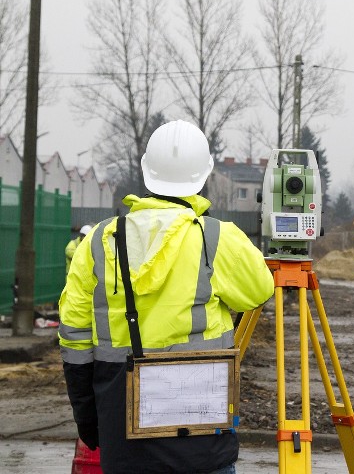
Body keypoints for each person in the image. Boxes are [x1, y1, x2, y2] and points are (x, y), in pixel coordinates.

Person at [58, 120, 274, 474]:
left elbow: (74, 340)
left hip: (123, 440)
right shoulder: (217, 238)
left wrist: (89, 420)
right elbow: (259, 290)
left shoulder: (98, 241)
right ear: (203, 175)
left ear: (146, 172)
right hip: (202, 446)